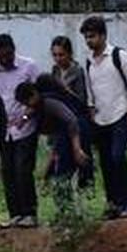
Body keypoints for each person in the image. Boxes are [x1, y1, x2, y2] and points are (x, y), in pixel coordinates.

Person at [80, 15, 127, 219]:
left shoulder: (119, 55)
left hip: (120, 114)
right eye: (87, 37)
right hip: (100, 119)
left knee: (117, 157)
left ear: (103, 35)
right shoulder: (89, 62)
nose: (89, 41)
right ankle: (113, 203)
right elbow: (90, 92)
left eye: (92, 36)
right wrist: (91, 112)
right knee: (106, 162)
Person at [0, 33, 41, 229]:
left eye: (8, 55)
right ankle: (15, 213)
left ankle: (30, 212)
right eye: (1, 56)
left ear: (13, 50)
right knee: (8, 172)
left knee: (23, 170)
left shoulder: (29, 67)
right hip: (3, 130)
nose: (5, 60)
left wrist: (26, 116)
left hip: (25, 128)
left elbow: (38, 95)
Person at [14, 79, 89, 200]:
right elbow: (30, 113)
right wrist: (24, 118)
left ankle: (70, 205)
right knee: (58, 169)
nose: (27, 106)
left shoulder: (49, 103)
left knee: (65, 170)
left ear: (34, 94)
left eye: (27, 102)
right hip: (63, 135)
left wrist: (77, 148)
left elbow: (72, 122)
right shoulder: (37, 107)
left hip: (75, 132)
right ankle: (65, 206)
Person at [50, 35, 93, 186]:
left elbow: (82, 100)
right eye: (55, 55)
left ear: (69, 54)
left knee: (82, 161)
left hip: (77, 119)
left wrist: (66, 90)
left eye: (61, 55)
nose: (58, 59)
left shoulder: (77, 71)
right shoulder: (54, 71)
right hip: (60, 122)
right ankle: (64, 200)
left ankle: (86, 192)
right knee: (61, 163)